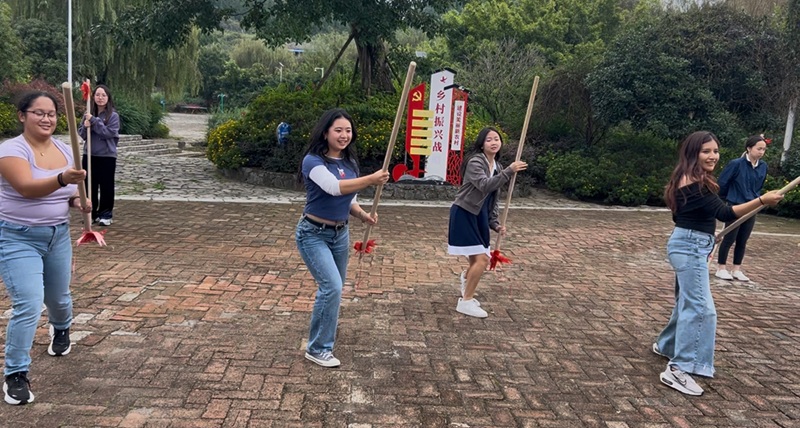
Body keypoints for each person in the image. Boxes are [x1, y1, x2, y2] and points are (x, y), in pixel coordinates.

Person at [654, 131, 782, 396]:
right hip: (688, 246)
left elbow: (686, 217)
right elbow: (724, 212)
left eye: (715, 151)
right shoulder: (696, 182)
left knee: (687, 302)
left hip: (689, 242)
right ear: (693, 154)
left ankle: (667, 346)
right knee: (702, 310)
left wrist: (704, 239)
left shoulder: (687, 176)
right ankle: (679, 369)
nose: (713, 156)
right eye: (706, 152)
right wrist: (762, 201)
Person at [0, 91, 91, 405]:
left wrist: (79, 201)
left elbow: (67, 196)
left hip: (57, 236)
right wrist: (64, 178)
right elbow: (26, 188)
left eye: (51, 113)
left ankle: (62, 327)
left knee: (59, 297)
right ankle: (16, 374)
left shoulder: (66, 149)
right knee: (29, 302)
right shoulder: (11, 150)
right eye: (38, 112)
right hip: (16, 237)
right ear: (22, 116)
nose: (46, 118)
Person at [296, 108, 389, 367]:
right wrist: (371, 179)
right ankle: (317, 348)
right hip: (312, 234)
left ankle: (325, 331)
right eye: (338, 130)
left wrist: (363, 215)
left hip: (340, 234)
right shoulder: (313, 161)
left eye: (348, 130)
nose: (344, 135)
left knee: (334, 289)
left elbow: (350, 200)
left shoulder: (349, 164)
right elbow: (333, 188)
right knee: (332, 287)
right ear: (325, 132)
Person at [447, 127, 527, 318]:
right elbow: (484, 185)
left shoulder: (497, 166)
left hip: (480, 215)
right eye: (489, 139)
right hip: (465, 213)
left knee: (477, 260)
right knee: (483, 259)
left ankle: (467, 281)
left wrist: (495, 223)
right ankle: (465, 301)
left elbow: (493, 199)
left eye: (497, 139)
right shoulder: (476, 162)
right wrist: (509, 171)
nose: (493, 142)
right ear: (482, 144)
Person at [714, 135, 769, 281]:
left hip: (753, 206)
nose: (761, 152)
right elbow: (723, 183)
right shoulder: (736, 164)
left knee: (743, 239)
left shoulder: (763, 166)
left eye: (763, 149)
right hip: (735, 205)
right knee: (729, 237)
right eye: (759, 148)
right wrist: (726, 200)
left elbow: (760, 185)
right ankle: (721, 267)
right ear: (749, 148)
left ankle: (737, 269)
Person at [78, 84, 120, 226]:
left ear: (108, 98)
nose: (100, 98)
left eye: (103, 95)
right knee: (89, 184)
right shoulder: (88, 114)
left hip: (107, 156)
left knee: (106, 185)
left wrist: (95, 122)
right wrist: (86, 126)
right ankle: (91, 212)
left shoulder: (113, 116)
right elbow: (82, 134)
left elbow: (108, 133)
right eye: (97, 95)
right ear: (93, 97)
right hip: (90, 154)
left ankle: (105, 214)